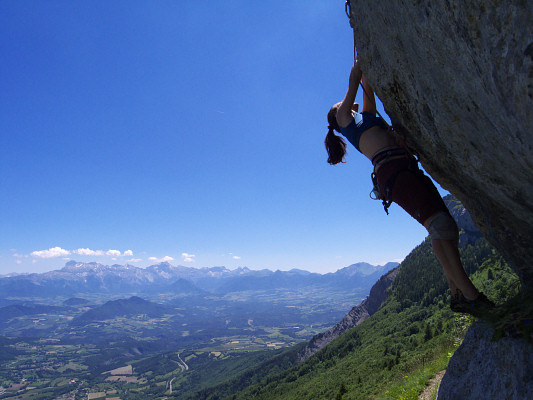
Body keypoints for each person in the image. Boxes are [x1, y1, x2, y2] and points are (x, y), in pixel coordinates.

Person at [325, 60, 494, 317]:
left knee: (448, 226)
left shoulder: (366, 118)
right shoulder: (344, 120)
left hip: (402, 171)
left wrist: (366, 71)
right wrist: (358, 63)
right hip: (395, 173)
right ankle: (471, 297)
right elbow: (354, 82)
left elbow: (365, 86)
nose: (346, 103)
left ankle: (458, 294)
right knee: (439, 225)